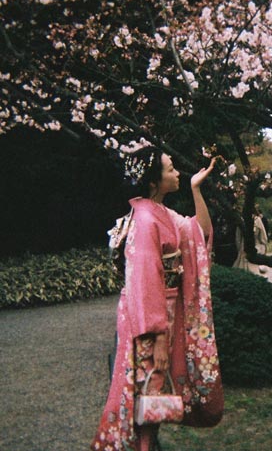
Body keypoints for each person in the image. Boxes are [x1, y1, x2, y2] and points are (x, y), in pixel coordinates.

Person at [91, 146, 223, 451]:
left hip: (162, 311)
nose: (177, 172)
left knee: (152, 388)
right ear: (154, 181)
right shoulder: (146, 219)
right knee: (144, 387)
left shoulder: (159, 212)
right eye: (171, 169)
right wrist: (159, 337)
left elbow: (198, 233)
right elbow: (144, 280)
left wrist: (195, 189)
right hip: (148, 318)